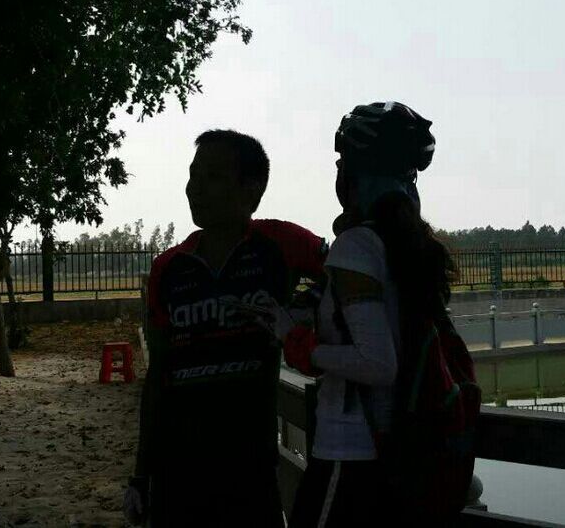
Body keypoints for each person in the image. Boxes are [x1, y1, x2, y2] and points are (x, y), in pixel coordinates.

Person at [124, 130, 327, 527]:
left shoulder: (279, 245)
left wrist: (303, 309)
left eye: (213, 176)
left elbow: (344, 270)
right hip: (176, 468)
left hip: (250, 468)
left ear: (252, 191)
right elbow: (159, 376)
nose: (194, 188)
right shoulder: (169, 268)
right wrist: (140, 475)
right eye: (192, 175)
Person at [283, 102, 457, 527]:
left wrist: (304, 346)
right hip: (394, 452)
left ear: (356, 173)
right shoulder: (404, 244)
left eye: (342, 162)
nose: (337, 171)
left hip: (349, 452)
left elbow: (377, 363)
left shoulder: (356, 246)